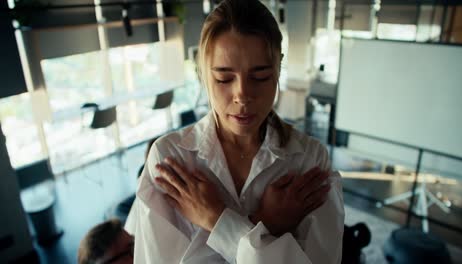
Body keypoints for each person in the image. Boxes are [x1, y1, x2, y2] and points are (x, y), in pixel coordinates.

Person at [125, 0, 344, 263]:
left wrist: (217, 221)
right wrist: (267, 226)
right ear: (203, 74)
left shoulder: (309, 162)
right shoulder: (170, 159)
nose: (242, 95)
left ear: (278, 68)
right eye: (224, 78)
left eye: (260, 76)